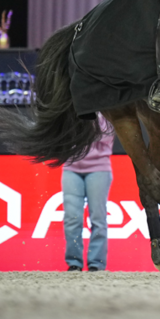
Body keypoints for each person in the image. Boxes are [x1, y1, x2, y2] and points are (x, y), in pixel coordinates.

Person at [62, 115, 115, 272]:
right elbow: (62, 135)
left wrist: (80, 131)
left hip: (99, 167)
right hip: (71, 167)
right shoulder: (70, 110)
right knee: (72, 217)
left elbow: (106, 136)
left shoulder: (106, 112)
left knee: (98, 218)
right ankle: (74, 262)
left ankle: (96, 264)